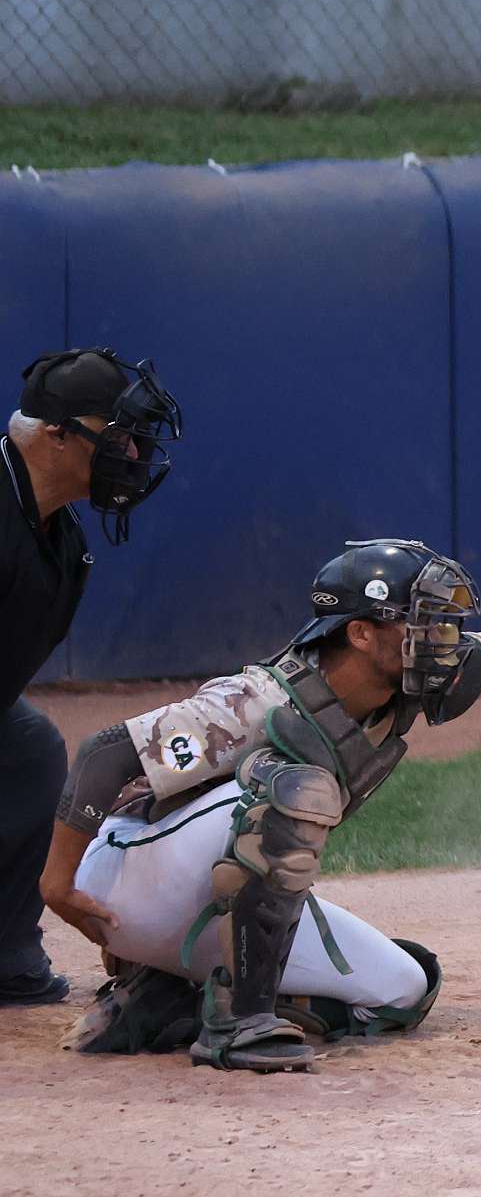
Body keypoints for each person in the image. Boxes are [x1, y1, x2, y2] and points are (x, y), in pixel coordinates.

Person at [38, 537, 481, 1072]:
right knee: (296, 787)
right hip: (126, 878)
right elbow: (106, 754)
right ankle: (238, 1024)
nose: (443, 639)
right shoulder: (259, 700)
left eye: (443, 624)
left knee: (402, 988)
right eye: (424, 623)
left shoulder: (416, 682)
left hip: (199, 907)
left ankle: (172, 1000)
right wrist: (58, 885)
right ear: (361, 633)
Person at [1, 348, 182, 1008]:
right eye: (117, 435)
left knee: (28, 750)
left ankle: (5, 953)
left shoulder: (61, 540)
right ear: (55, 435)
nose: (131, 453)